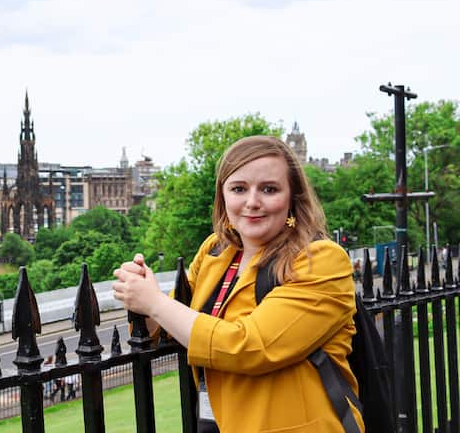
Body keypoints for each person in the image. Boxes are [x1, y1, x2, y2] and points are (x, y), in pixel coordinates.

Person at [112, 135, 362, 432]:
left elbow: (251, 347)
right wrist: (141, 297)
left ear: (293, 197)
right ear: (223, 196)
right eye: (239, 189)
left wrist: (154, 302)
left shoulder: (321, 261)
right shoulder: (216, 251)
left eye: (269, 189)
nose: (252, 202)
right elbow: (173, 324)